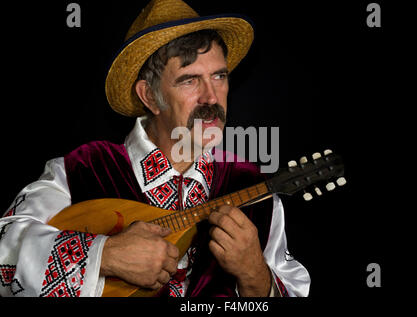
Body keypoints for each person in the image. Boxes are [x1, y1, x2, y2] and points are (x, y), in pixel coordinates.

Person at [0, 0, 310, 297]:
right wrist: (104, 256)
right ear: (149, 96)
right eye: (189, 81)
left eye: (219, 76)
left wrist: (256, 276)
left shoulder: (254, 188)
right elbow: (3, 254)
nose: (212, 98)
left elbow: (291, 285)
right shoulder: (80, 170)